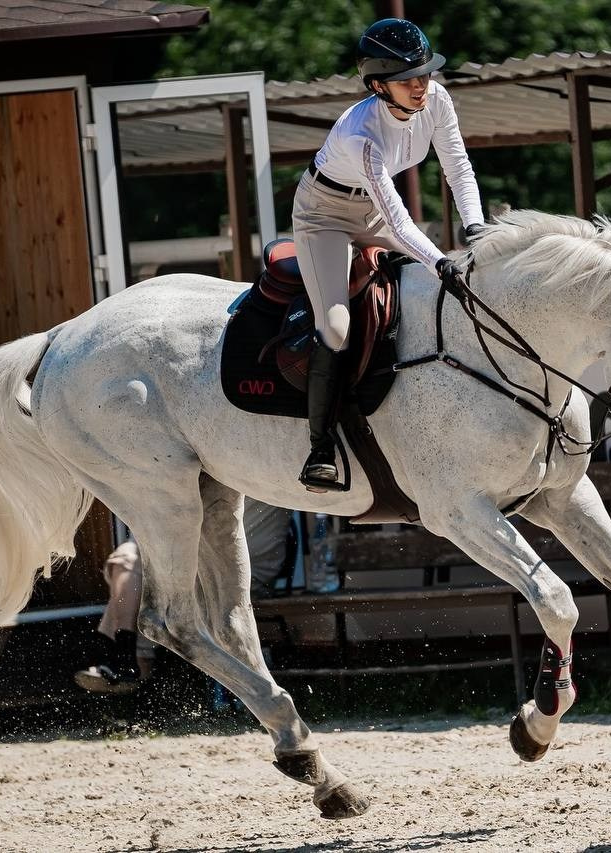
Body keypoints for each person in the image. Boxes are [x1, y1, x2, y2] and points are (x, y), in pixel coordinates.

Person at [293, 17, 486, 491]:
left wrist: (477, 230)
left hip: (375, 208)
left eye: (424, 73)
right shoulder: (360, 135)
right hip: (326, 216)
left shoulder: (437, 99)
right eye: (407, 79)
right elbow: (401, 224)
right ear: (379, 86)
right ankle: (320, 449)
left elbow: (458, 167)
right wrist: (441, 260)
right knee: (336, 327)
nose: (421, 85)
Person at [74, 500, 296, 694]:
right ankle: (123, 658)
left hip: (238, 574)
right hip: (203, 566)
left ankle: (119, 656)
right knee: (133, 559)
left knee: (135, 563)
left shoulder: (246, 473)